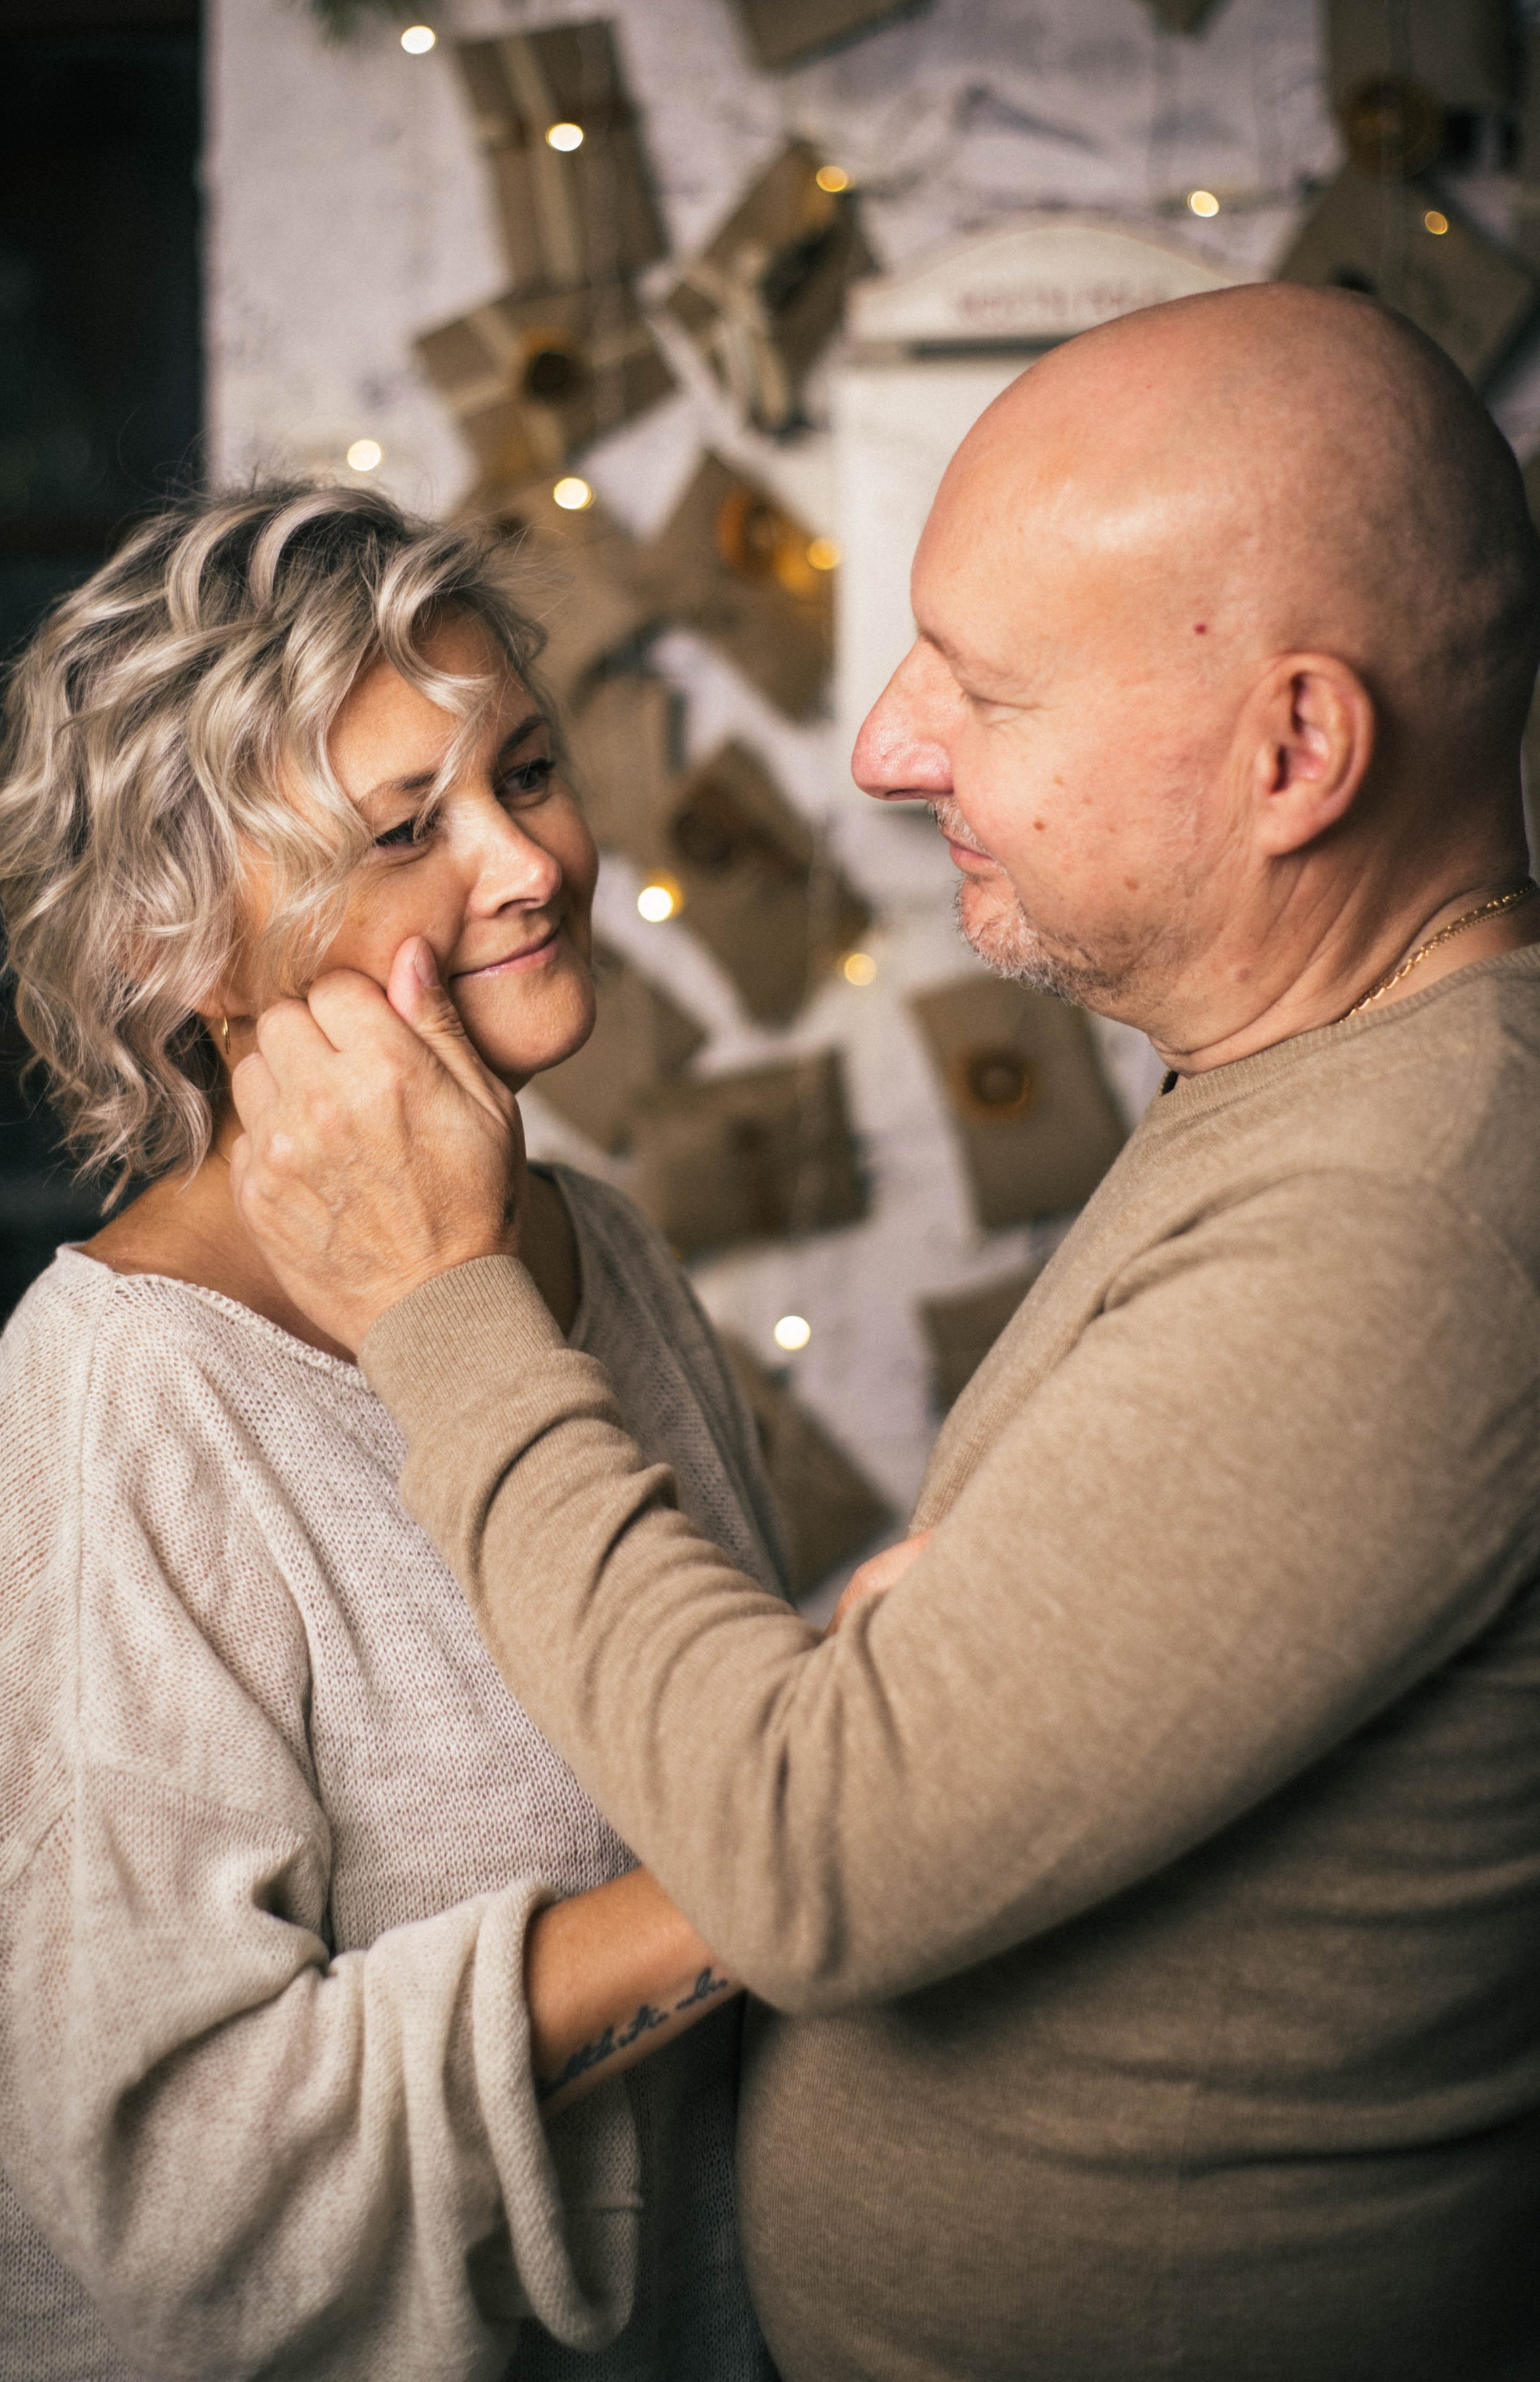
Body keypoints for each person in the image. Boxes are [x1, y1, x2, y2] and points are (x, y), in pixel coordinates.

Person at [224, 285, 1540, 2382]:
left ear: (1299, 750)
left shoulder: (1413, 1212)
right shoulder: (1293, 1072)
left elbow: (811, 1856)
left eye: (986, 688)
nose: (885, 745)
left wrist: (442, 1310)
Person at [0, 483, 788, 2382]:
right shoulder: (121, 1412)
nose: (528, 861)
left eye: (528, 771)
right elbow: (175, 2176)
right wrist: (783, 1869)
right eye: (407, 831)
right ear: (183, 952)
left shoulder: (601, 1249)